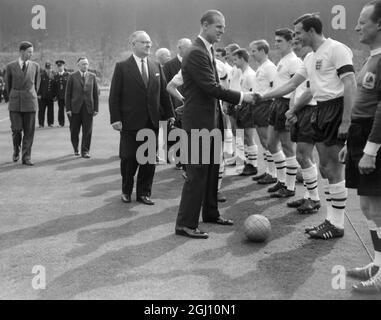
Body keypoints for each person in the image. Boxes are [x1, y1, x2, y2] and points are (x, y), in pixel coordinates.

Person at [254, 13, 356, 239]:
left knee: (333, 169)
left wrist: (347, 120)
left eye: (299, 32)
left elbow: (350, 83)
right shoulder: (310, 58)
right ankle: (330, 220)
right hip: (320, 110)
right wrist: (262, 96)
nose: (296, 36)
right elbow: (294, 85)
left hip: (336, 109)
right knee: (325, 168)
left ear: (311, 31)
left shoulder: (337, 49)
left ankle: (336, 224)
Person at [175, 10, 254, 239]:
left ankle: (210, 213)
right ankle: (185, 224)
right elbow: (211, 88)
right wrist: (242, 97)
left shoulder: (206, 51)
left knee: (211, 172)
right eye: (218, 26)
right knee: (197, 175)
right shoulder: (196, 52)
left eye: (223, 26)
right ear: (204, 25)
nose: (222, 30)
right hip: (199, 125)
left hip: (211, 122)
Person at [340, 0, 381, 293]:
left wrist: (370, 150)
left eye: (363, 21)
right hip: (360, 135)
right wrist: (349, 142)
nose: (356, 27)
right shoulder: (371, 57)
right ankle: (378, 262)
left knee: (377, 209)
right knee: (368, 208)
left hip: (372, 137)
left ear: (379, 24)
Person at [109, 31, 175, 205]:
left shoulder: (156, 66)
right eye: (144, 42)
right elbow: (114, 95)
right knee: (129, 159)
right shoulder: (122, 66)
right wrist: (115, 119)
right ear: (133, 44)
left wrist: (169, 114)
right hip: (130, 123)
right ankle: (126, 190)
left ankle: (144, 193)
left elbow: (163, 94)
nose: (148, 45)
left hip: (152, 122)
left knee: (148, 161)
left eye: (149, 42)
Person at [265, 28, 302, 199]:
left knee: (288, 147)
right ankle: (280, 180)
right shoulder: (282, 60)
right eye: (275, 40)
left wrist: (291, 109)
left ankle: (290, 186)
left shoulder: (294, 61)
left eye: (279, 41)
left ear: (289, 42)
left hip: (286, 104)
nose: (276, 43)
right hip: (277, 104)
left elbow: (296, 86)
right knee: (271, 143)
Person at [286, 38, 321, 214]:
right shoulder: (304, 62)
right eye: (293, 44)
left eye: (298, 43)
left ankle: (314, 199)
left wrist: (294, 110)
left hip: (310, 109)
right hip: (300, 110)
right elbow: (294, 89)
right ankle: (309, 195)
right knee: (304, 156)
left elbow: (309, 92)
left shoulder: (314, 59)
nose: (295, 48)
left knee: (302, 155)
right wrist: (292, 110)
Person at [5, 41, 40, 166]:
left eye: (32, 52)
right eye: (29, 51)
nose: (31, 54)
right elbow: (8, 86)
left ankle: (26, 157)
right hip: (15, 102)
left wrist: (31, 95)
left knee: (29, 131)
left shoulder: (36, 66)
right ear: (21, 51)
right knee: (16, 130)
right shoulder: (10, 66)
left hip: (30, 102)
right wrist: (15, 95)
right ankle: (16, 149)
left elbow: (37, 84)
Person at [249, 39, 278, 185]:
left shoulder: (269, 67)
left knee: (268, 141)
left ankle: (274, 173)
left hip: (265, 105)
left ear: (262, 51)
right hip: (258, 106)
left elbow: (275, 88)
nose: (251, 54)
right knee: (262, 141)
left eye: (254, 50)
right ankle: (268, 170)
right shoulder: (261, 67)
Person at [231, 48, 258, 176]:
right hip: (243, 107)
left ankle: (253, 165)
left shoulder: (250, 75)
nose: (234, 62)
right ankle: (248, 162)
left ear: (242, 59)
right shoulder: (242, 73)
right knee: (245, 137)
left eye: (236, 59)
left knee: (249, 136)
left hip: (249, 108)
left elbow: (254, 94)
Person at [65, 57, 99, 158]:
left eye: (86, 64)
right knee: (74, 131)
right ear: (78, 65)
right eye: (83, 64)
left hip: (88, 108)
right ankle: (75, 148)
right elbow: (68, 94)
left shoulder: (92, 76)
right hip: (75, 108)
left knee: (87, 131)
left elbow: (95, 94)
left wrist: (96, 108)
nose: (85, 66)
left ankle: (85, 151)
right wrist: (68, 109)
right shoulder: (72, 76)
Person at [163, 38, 192, 109]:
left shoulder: (194, 64)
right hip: (175, 107)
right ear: (179, 48)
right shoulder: (168, 65)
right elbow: (165, 87)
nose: (190, 51)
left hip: (192, 105)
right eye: (187, 48)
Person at [37, 61, 55, 127]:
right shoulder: (41, 76)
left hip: (50, 96)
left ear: (51, 68)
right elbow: (38, 85)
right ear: (45, 68)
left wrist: (55, 95)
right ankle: (41, 124)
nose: (48, 70)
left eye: (49, 68)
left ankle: (50, 123)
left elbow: (55, 86)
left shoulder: (53, 75)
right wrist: (38, 94)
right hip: (42, 96)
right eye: (47, 68)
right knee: (41, 111)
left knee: (50, 111)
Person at [53, 60, 70, 127]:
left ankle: (71, 122)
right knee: (60, 110)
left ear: (63, 66)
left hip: (67, 96)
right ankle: (61, 123)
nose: (60, 67)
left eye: (61, 66)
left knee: (69, 110)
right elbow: (55, 88)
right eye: (58, 66)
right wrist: (55, 96)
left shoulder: (68, 75)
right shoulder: (56, 76)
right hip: (59, 96)